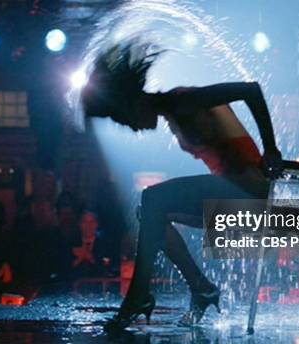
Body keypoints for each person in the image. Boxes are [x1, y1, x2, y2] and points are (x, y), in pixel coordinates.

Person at [80, 39, 282, 330]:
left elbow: (250, 90)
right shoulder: (173, 115)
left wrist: (271, 149)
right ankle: (201, 287)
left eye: (126, 121)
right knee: (149, 213)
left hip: (251, 196)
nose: (133, 129)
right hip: (230, 198)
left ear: (135, 102)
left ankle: (138, 295)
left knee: (152, 200)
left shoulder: (183, 101)